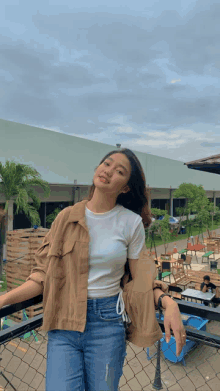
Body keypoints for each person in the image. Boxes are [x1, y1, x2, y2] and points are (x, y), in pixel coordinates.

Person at [0, 148, 186, 391]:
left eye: (119, 171)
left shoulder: (130, 223)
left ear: (126, 187)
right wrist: (3, 299)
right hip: (63, 322)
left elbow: (140, 279)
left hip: (107, 324)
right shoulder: (66, 218)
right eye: (106, 164)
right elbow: (42, 275)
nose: (108, 171)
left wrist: (168, 303)